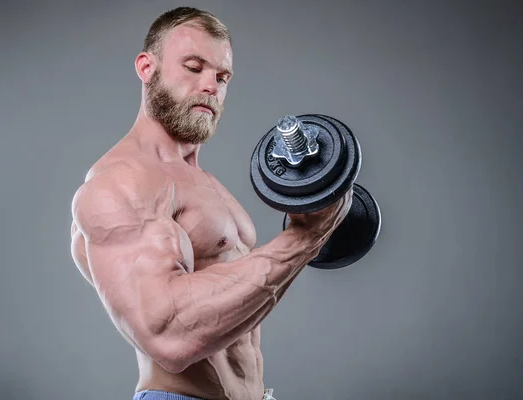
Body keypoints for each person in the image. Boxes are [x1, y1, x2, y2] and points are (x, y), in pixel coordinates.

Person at [69, 7, 352, 400]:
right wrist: (303, 240)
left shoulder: (203, 183)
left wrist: (319, 227)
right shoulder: (122, 182)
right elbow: (166, 334)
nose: (211, 86)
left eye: (222, 77)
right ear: (147, 67)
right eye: (193, 67)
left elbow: (244, 290)